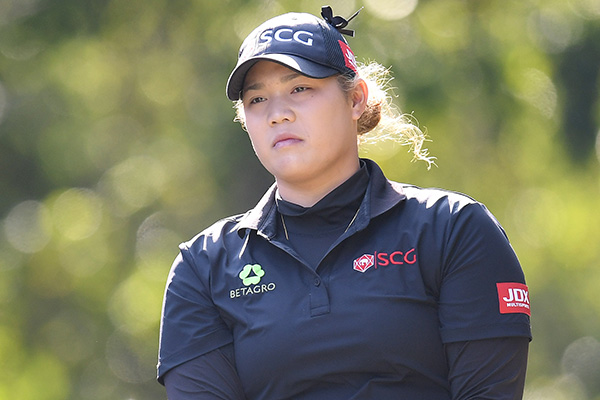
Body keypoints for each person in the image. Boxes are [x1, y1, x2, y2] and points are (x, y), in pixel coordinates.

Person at [157, 6, 532, 399]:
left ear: (356, 99)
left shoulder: (454, 229)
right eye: (257, 99)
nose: (277, 114)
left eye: (300, 89)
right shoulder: (203, 267)